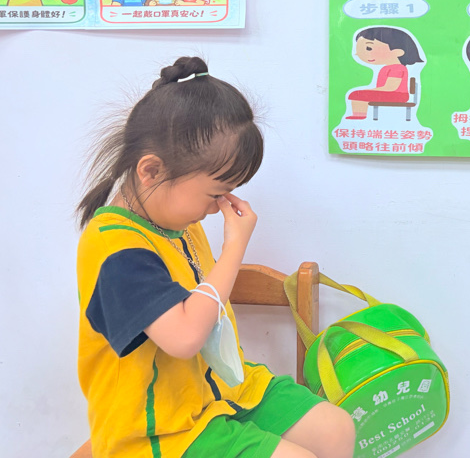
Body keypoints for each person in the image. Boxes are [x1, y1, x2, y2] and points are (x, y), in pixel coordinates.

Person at [76, 56, 354, 458]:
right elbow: (184, 338)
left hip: (220, 389)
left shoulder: (176, 221)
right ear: (151, 171)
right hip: (159, 429)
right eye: (215, 194)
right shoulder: (116, 248)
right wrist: (234, 247)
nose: (219, 206)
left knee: (335, 429)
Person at [346, 26, 424, 120]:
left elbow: (391, 87)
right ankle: (359, 115)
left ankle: (359, 115)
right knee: (357, 94)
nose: (359, 54)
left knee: (357, 94)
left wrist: (371, 91)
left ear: (397, 52)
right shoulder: (386, 68)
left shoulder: (398, 68)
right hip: (388, 93)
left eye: (369, 48)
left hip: (397, 95)